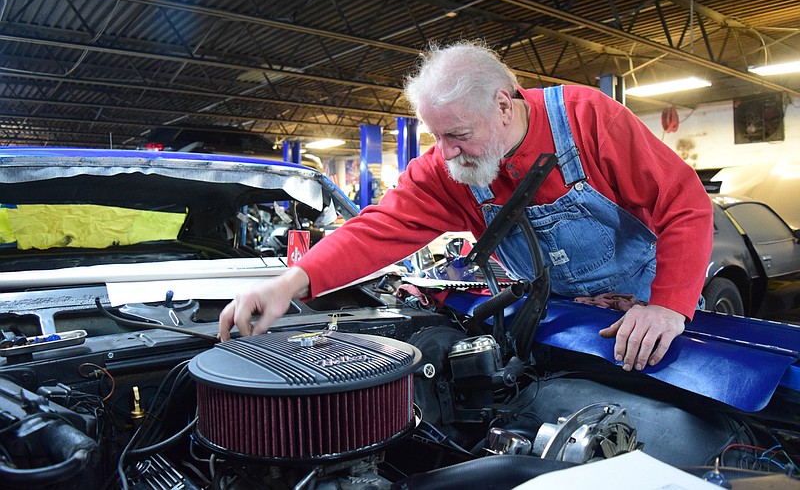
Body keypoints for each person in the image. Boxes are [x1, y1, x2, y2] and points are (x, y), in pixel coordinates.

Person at [219, 40, 714, 372]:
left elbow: (684, 204)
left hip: (650, 314)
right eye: (438, 136)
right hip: (563, 319)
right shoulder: (445, 170)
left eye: (458, 135)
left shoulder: (587, 119)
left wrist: (668, 306)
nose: (446, 152)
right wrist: (289, 282)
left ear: (504, 104)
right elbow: (377, 229)